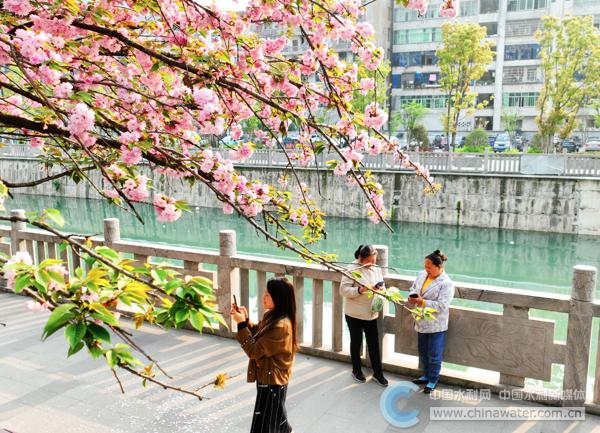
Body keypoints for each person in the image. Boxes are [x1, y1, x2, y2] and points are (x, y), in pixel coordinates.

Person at [231, 277, 298, 433]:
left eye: (268, 294)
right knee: (276, 419)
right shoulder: (273, 315)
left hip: (272, 382)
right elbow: (260, 335)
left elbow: (254, 351)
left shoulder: (281, 325)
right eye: (265, 293)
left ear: (278, 298)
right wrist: (246, 321)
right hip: (270, 378)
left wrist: (241, 324)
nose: (264, 297)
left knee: (263, 425)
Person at [339, 244, 388, 386]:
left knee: (373, 343)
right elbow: (343, 290)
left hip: (370, 312)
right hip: (354, 313)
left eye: (374, 260)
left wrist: (380, 290)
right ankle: (356, 370)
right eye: (369, 261)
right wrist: (360, 290)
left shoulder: (377, 268)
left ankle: (378, 374)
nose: (372, 264)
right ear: (361, 258)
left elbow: (382, 285)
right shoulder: (351, 269)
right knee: (356, 342)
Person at [407, 249, 454, 393]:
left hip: (436, 324)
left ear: (439, 267)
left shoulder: (446, 283)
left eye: (429, 267)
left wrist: (422, 302)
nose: (426, 269)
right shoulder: (422, 275)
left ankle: (433, 379)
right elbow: (413, 288)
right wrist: (411, 296)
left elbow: (442, 306)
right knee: (423, 351)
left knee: (434, 353)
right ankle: (426, 375)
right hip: (421, 320)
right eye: (425, 266)